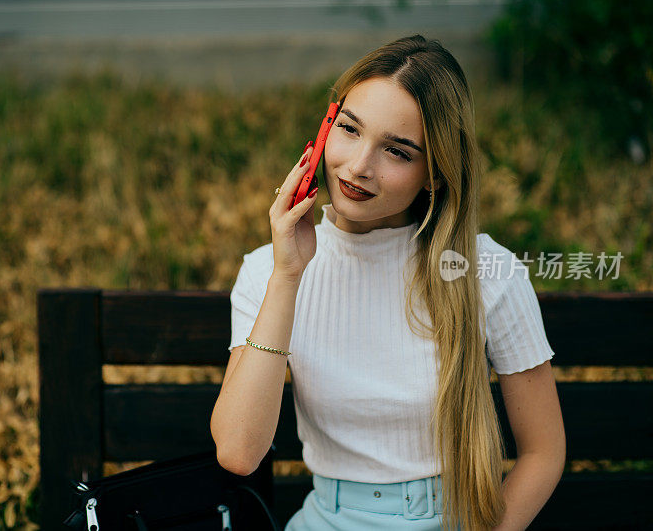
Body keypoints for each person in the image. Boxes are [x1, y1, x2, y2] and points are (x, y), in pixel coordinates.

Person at [210, 35, 566, 531]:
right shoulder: (267, 271)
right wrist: (288, 275)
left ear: (435, 173)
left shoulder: (485, 271)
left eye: (397, 152)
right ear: (326, 126)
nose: (359, 166)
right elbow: (239, 452)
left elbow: (543, 453)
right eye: (350, 130)